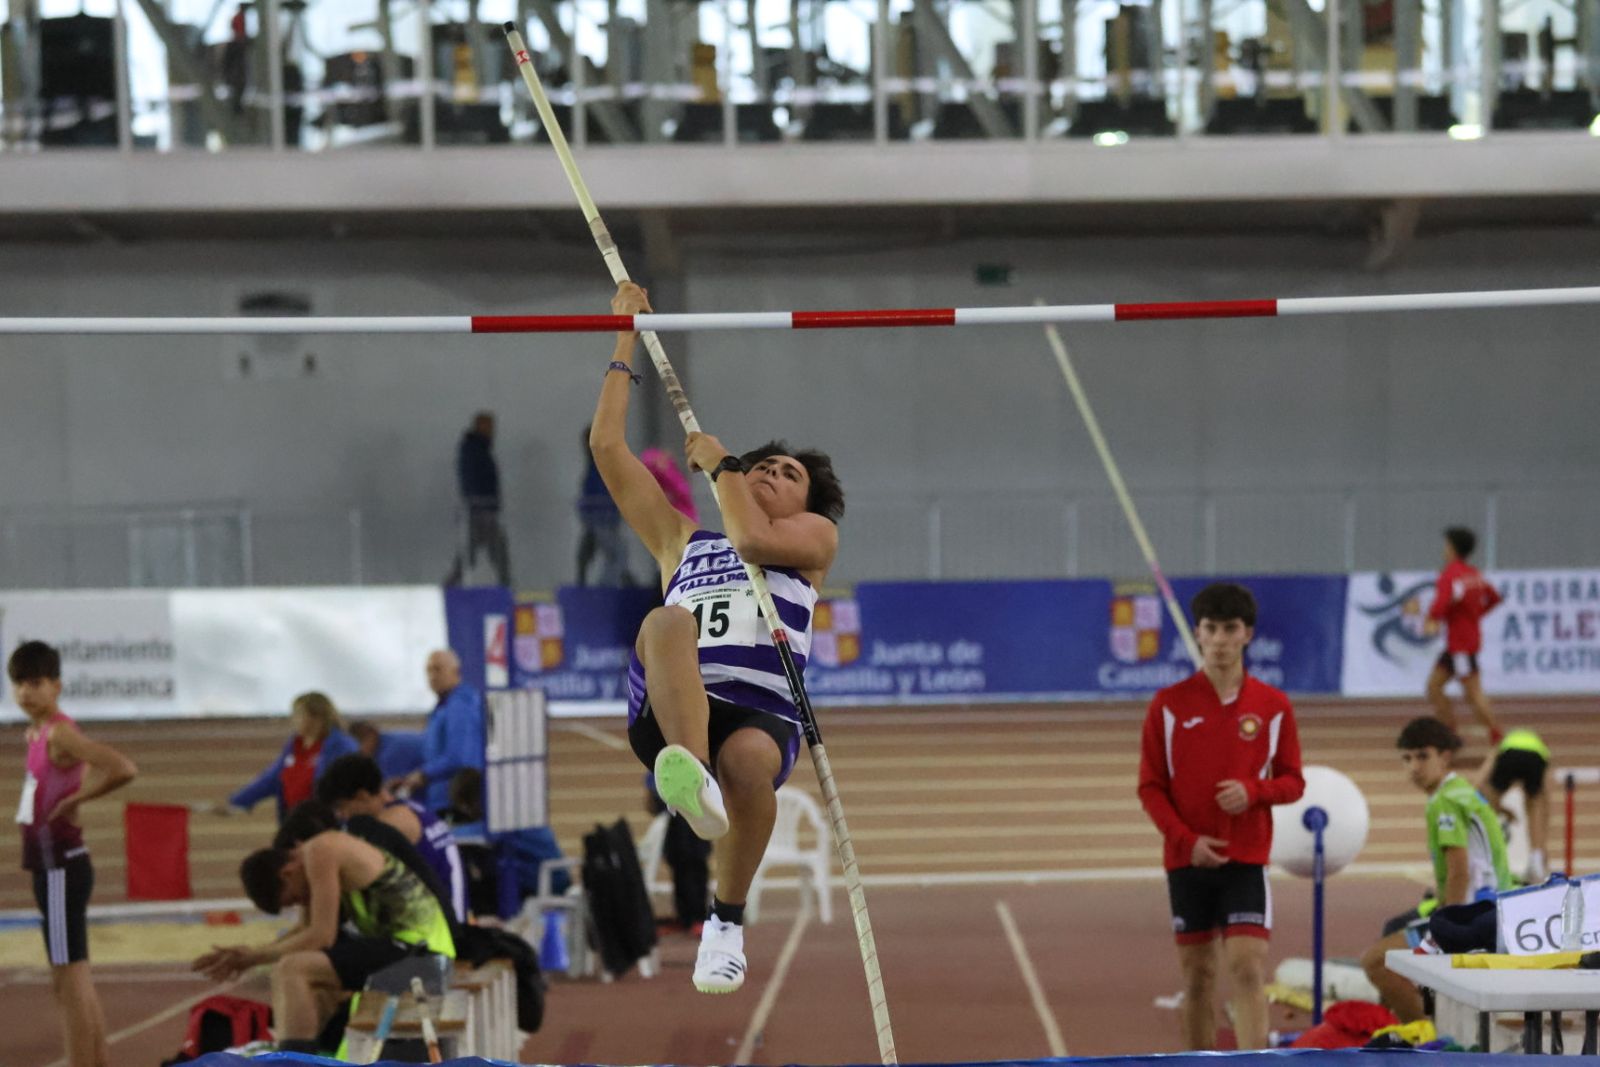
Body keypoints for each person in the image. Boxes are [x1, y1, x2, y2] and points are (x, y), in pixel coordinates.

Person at [593, 281, 844, 994]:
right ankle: (691, 774)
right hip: (678, 710)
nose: (770, 473)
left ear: (808, 502)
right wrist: (624, 339)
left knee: (754, 758)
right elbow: (607, 448)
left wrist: (728, 465)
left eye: (786, 473)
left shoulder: (813, 539)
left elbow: (751, 537)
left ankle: (724, 921)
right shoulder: (680, 540)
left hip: (761, 708)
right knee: (667, 619)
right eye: (763, 465)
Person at [1136, 583, 1305, 1051]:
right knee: (1198, 978)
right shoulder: (1168, 706)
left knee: (1249, 968)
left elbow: (1293, 781)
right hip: (1187, 860)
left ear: (1247, 634)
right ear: (1198, 633)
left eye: (1230, 629)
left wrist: (1254, 792)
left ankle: (1255, 1063)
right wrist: (1186, 841)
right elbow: (1150, 787)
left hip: (1246, 860)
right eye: (1211, 629)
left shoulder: (1273, 707)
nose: (1220, 640)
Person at [193, 830, 455, 1055]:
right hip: (404, 946)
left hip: (423, 949)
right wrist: (252, 954)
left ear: (287, 873)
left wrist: (253, 958)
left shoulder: (322, 851)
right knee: (301, 980)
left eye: (294, 899)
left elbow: (321, 936)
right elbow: (304, 931)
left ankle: (295, 1060)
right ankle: (313, 1053)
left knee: (294, 969)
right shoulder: (310, 861)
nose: (301, 903)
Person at [10, 640, 138, 1067]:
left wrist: (79, 798)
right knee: (68, 976)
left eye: (35, 683)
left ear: (57, 685)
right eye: (18, 685)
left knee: (69, 978)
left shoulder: (61, 732)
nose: (25, 693)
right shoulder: (35, 732)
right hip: (49, 866)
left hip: (62, 866)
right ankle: (96, 1059)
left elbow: (122, 767)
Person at [1361, 717, 1515, 1022]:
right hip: (1494, 910)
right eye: (1407, 758)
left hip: (1476, 918)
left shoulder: (1444, 802)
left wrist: (1446, 929)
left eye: (1422, 756)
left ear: (1444, 757)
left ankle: (1427, 1040)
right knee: (1395, 931)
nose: (1414, 767)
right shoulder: (1460, 791)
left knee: (1376, 962)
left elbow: (1460, 871)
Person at [316, 754, 468, 923]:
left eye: (341, 807)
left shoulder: (392, 823)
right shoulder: (407, 808)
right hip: (450, 916)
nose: (342, 816)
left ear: (362, 796)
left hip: (446, 928)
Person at [227, 692, 359, 823]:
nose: (293, 720)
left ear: (317, 717)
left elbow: (351, 785)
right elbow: (272, 778)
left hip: (326, 822)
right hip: (294, 820)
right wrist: (238, 801)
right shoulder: (295, 745)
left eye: (299, 715)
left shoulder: (342, 746)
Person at [1424, 526, 1504, 744]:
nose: (1444, 549)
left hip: (1460, 646)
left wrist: (1430, 619)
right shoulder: (1474, 574)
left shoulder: (1450, 574)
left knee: (1473, 694)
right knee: (1433, 687)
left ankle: (1497, 736)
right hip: (1460, 643)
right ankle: (1450, 732)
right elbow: (1495, 598)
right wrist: (1475, 615)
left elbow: (1439, 608)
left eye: (1446, 545)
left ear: (1452, 548)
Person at [398, 650, 485, 816]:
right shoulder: (443, 707)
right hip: (442, 800)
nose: (432, 676)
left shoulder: (460, 706)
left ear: (455, 671)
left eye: (438, 669)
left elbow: (459, 757)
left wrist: (422, 775)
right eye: (429, 670)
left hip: (457, 801)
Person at [1474, 728, 1552, 883]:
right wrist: (1543, 844)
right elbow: (1544, 795)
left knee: (1488, 797)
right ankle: (1536, 857)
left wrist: (1500, 809)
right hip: (1536, 757)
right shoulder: (1539, 745)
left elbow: (1479, 782)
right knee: (1535, 804)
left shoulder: (1502, 744)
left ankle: (1482, 856)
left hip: (1509, 754)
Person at [447, 410, 511, 587]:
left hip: (483, 509)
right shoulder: (474, 451)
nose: (492, 430)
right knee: (490, 551)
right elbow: (473, 479)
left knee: (475, 553)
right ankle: (506, 588)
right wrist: (479, 502)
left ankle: (452, 585)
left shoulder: (478, 450)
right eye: (489, 426)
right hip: (480, 510)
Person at [577, 423, 634, 586]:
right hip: (600, 519)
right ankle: (605, 586)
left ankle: (622, 581)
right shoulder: (595, 467)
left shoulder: (602, 465)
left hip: (605, 518)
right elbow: (594, 493)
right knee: (616, 553)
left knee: (616, 553)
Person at [347, 720, 425, 784]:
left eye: (360, 743)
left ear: (372, 734)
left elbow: (396, 786)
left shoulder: (389, 754)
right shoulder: (388, 741)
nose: (358, 751)